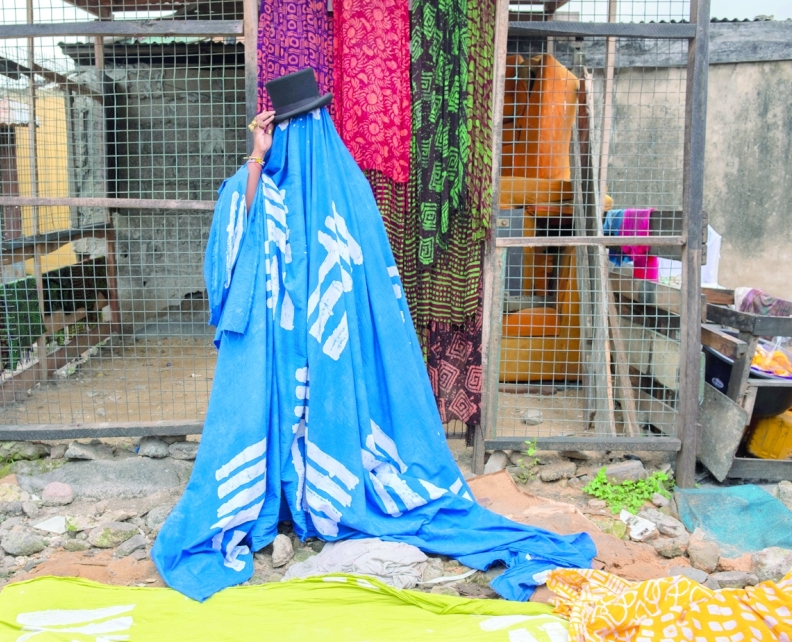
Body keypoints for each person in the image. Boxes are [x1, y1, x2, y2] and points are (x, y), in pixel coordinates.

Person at [151, 68, 596, 603]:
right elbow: (235, 229)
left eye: (300, 126)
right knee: (282, 418)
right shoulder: (264, 187)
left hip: (328, 347)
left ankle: (319, 498)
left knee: (319, 414)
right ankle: (292, 499)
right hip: (277, 349)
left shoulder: (346, 188)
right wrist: (257, 155)